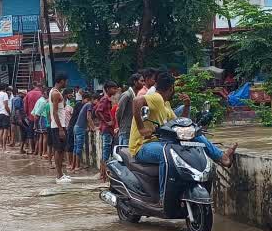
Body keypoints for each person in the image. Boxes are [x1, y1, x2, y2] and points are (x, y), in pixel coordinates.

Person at [131, 72, 236, 200]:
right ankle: (165, 195)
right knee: (167, 154)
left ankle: (221, 156)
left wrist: (187, 106)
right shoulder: (156, 98)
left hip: (162, 142)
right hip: (142, 146)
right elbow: (136, 101)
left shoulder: (166, 104)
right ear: (171, 88)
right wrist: (142, 128)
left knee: (193, 135)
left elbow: (181, 124)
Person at [95, 81, 119, 181]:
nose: (115, 90)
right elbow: (98, 111)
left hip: (108, 129)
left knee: (107, 152)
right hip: (106, 129)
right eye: (114, 88)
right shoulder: (105, 99)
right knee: (106, 152)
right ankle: (104, 176)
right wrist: (106, 121)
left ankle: (103, 174)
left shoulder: (107, 99)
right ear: (108, 89)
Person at [49, 74, 71, 184]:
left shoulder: (54, 92)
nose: (66, 83)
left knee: (61, 150)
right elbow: (55, 112)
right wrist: (60, 129)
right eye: (66, 81)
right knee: (59, 150)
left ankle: (60, 174)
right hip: (58, 126)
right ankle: (59, 175)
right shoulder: (55, 94)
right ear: (61, 81)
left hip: (58, 125)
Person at [116, 74, 139, 154]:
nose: (143, 83)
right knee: (124, 154)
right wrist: (121, 125)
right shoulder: (127, 95)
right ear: (135, 82)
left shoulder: (134, 95)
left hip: (130, 129)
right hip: (125, 129)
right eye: (141, 81)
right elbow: (118, 112)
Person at [71, 90, 93, 172]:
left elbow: (85, 119)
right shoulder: (89, 105)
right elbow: (88, 118)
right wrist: (93, 128)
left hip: (76, 127)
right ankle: (77, 166)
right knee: (79, 148)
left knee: (76, 147)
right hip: (80, 128)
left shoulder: (85, 105)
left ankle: (73, 166)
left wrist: (88, 126)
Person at [0, 85, 11, 150]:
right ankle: (4, 147)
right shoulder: (5, 94)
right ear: (5, 89)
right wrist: (9, 113)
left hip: (0, 114)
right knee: (5, 130)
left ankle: (2, 147)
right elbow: (6, 105)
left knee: (1, 130)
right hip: (5, 113)